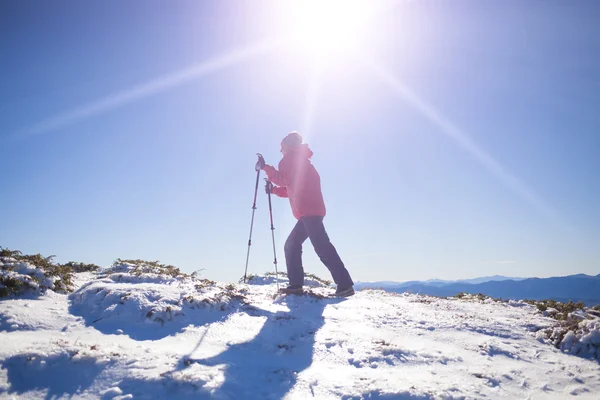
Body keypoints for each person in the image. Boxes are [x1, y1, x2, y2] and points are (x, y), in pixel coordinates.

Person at [261, 132, 354, 297]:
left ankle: (344, 284)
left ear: (288, 147)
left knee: (320, 246)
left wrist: (265, 168)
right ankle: (296, 285)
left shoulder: (290, 160)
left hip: (309, 212)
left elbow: (283, 180)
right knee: (293, 245)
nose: (280, 151)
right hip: (311, 212)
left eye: (282, 148)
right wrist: (274, 190)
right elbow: (292, 188)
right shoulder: (302, 162)